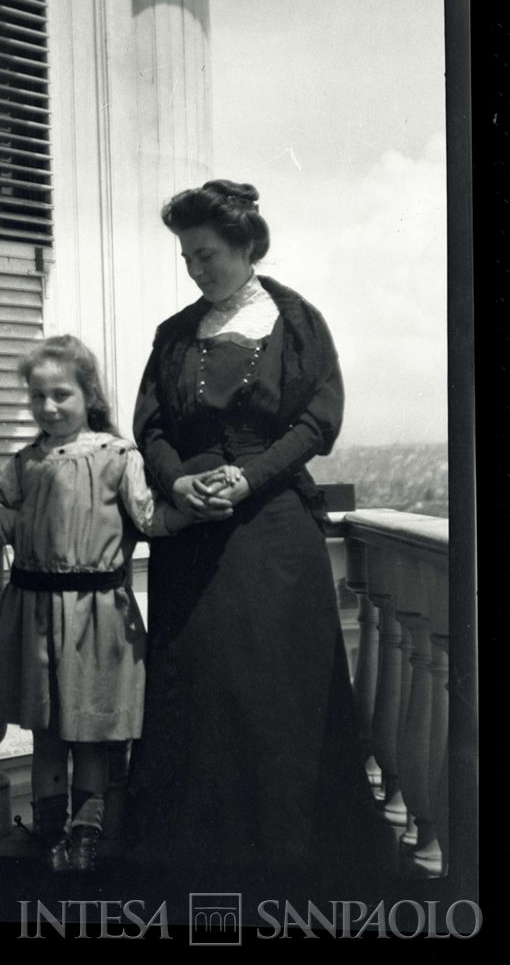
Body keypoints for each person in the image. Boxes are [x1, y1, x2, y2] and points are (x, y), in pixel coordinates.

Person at [126, 179, 377, 887]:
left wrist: (248, 478)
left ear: (245, 245)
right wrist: (176, 482)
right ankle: (193, 868)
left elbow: (316, 422)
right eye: (187, 260)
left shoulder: (296, 321)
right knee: (196, 693)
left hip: (271, 531)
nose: (198, 270)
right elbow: (148, 426)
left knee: (272, 696)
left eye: (207, 255)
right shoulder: (175, 334)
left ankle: (289, 865)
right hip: (191, 532)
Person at [0, 334, 194, 873]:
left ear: (88, 395)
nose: (48, 407)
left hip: (97, 616)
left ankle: (85, 838)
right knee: (46, 732)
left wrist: (194, 512)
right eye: (37, 397)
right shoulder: (26, 462)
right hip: (34, 614)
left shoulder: (119, 456)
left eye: (61, 395)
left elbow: (150, 517)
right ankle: (48, 837)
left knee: (91, 732)